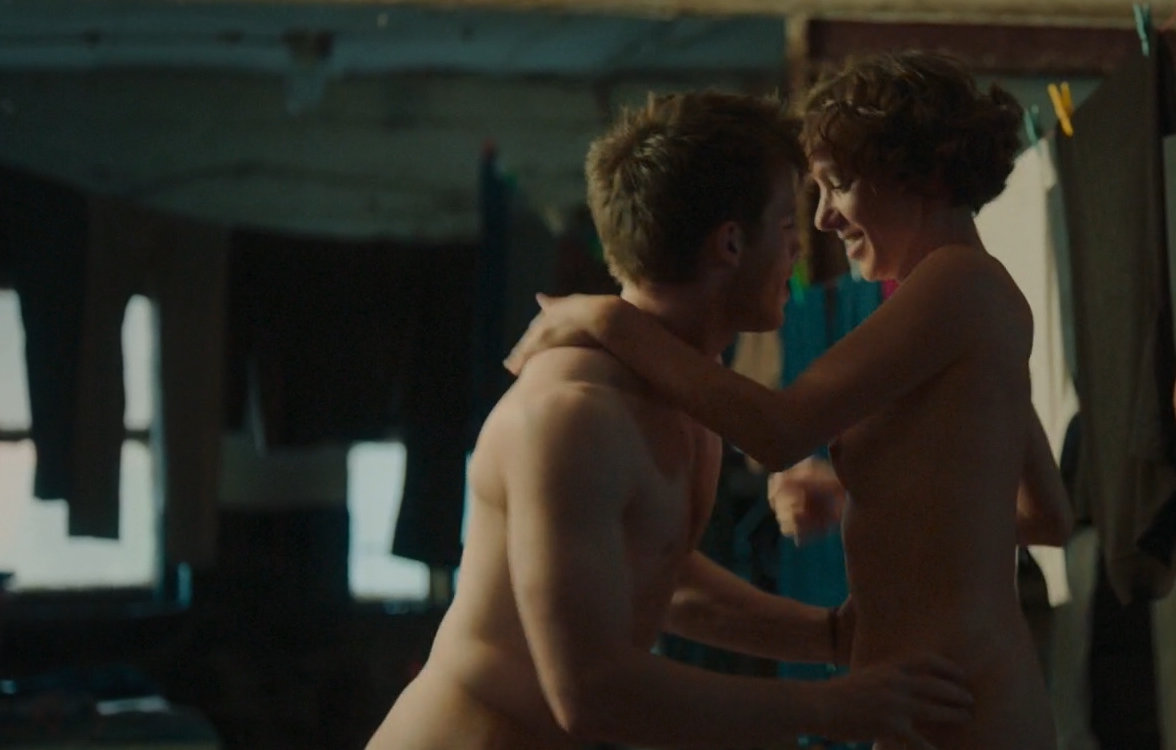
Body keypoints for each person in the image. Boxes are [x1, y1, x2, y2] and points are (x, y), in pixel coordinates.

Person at [367, 91, 974, 750]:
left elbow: (661, 577)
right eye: (786, 223)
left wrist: (829, 637)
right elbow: (590, 692)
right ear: (731, 243)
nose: (801, 246)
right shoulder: (575, 417)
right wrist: (829, 707)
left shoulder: (685, 393)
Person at [505, 53, 1072, 750]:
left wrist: (609, 319)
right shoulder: (973, 303)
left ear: (924, 178)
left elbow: (778, 430)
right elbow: (1047, 513)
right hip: (946, 695)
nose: (824, 220)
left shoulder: (957, 284)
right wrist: (876, 496)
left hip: (958, 702)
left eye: (839, 186)